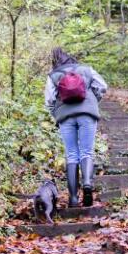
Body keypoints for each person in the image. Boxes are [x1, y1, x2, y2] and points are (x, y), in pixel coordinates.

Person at [44, 47, 108, 207]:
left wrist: (57, 115)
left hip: (65, 116)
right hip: (87, 114)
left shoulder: (53, 75)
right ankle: (87, 183)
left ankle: (73, 198)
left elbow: (50, 101)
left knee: (72, 154)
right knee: (87, 151)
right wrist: (93, 102)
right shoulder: (86, 69)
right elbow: (102, 86)